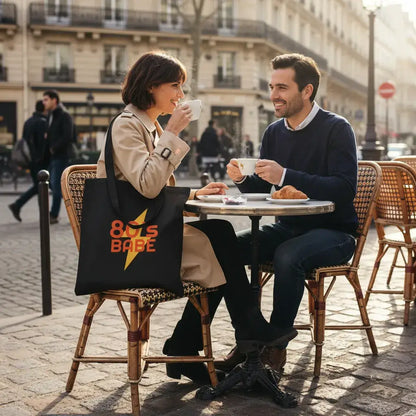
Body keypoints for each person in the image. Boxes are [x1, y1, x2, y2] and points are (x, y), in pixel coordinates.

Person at [96, 51, 297, 385]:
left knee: (219, 242)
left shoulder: (149, 127)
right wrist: (172, 134)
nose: (180, 94)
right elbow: (147, 186)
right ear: (151, 86)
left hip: (140, 233)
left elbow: (148, 188)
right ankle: (231, 334)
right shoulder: (127, 126)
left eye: (182, 86)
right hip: (126, 245)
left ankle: (194, 345)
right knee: (219, 244)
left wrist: (194, 195)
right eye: (175, 85)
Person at [223, 53, 357, 373]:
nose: (274, 95)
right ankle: (249, 338)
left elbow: (343, 188)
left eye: (282, 87)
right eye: (271, 87)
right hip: (288, 227)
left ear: (307, 90)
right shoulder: (273, 132)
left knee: (287, 255)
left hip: (335, 232)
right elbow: (263, 186)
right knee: (223, 247)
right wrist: (242, 179)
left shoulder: (337, 128)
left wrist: (285, 175)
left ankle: (274, 346)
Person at [8, 100, 48, 222]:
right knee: (40, 186)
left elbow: (25, 140)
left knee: (39, 186)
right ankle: (18, 205)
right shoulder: (42, 122)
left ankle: (41, 213)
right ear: (44, 109)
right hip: (39, 160)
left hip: (29, 159)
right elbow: (42, 143)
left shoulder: (28, 121)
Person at [42, 89, 74, 224]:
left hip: (61, 155)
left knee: (55, 185)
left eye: (46, 99)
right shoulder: (51, 115)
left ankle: (54, 214)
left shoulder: (64, 115)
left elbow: (68, 135)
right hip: (53, 156)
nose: (44, 102)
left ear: (54, 100)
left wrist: (54, 147)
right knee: (54, 185)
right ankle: (74, 203)